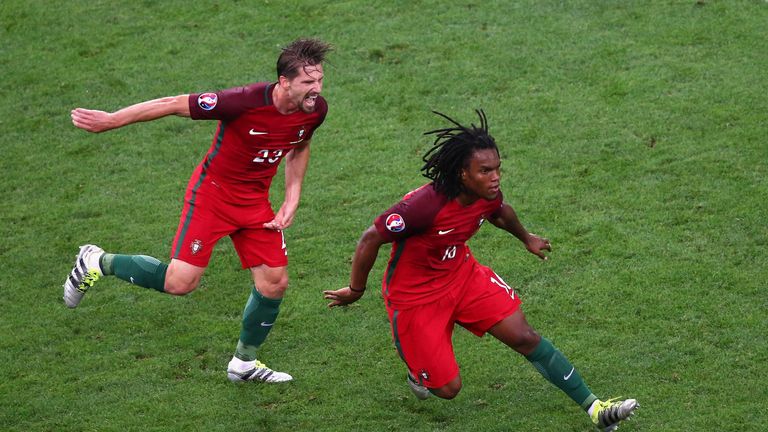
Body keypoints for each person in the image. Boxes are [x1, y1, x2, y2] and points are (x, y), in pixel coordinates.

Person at [324, 110, 638, 431]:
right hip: (416, 299)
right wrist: (356, 290)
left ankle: (596, 408)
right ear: (463, 173)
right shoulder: (423, 207)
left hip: (463, 277)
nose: (495, 177)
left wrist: (526, 238)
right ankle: (417, 367)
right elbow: (370, 238)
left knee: (524, 336)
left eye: (497, 168)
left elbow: (500, 213)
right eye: (485, 170)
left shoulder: (485, 194)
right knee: (448, 390)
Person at [64, 38, 332, 384]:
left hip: (255, 205)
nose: (317, 89)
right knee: (180, 283)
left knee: (275, 282)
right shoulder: (242, 101)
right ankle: (97, 260)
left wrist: (292, 196)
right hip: (213, 198)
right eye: (308, 82)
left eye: (320, 80)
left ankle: (244, 364)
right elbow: (173, 104)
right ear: (284, 81)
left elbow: (300, 144)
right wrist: (113, 120)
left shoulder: (315, 110)